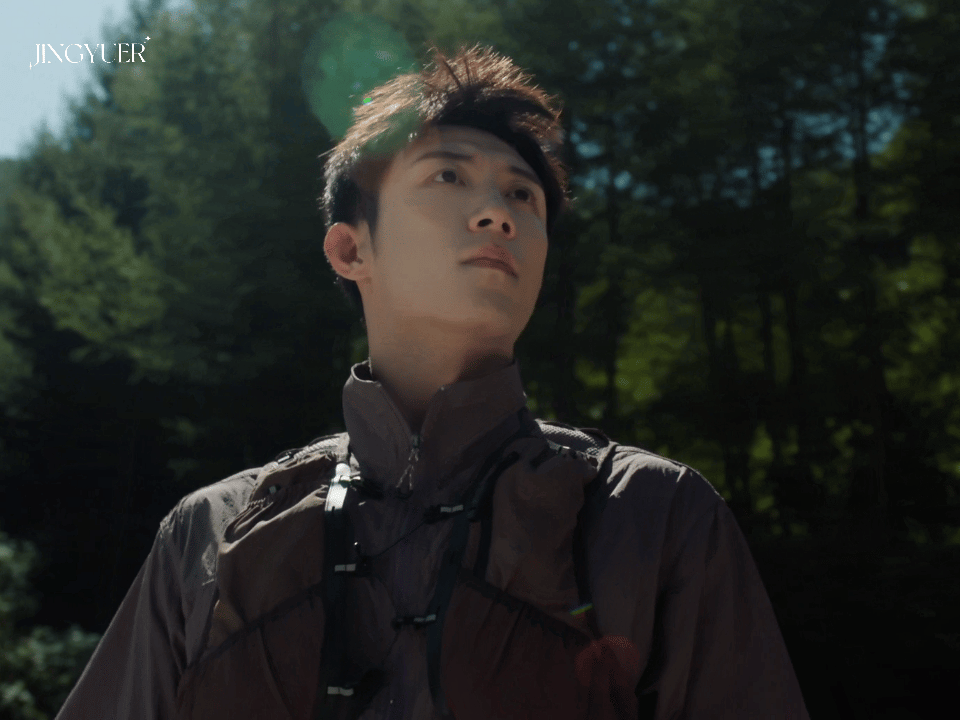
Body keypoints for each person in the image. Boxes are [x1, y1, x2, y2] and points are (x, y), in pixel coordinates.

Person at [56, 43, 810, 720]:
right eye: (448, 176)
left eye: (523, 196)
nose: (498, 214)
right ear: (351, 249)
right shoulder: (210, 534)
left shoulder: (652, 513)